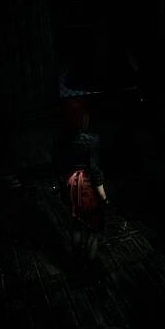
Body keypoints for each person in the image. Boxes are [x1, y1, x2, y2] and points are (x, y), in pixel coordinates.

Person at [53, 98, 109, 264]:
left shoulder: (59, 139)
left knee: (76, 223)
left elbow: (58, 165)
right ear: (83, 117)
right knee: (94, 228)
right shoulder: (92, 140)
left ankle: (77, 262)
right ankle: (90, 266)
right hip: (86, 185)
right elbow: (95, 171)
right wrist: (103, 196)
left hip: (70, 184)